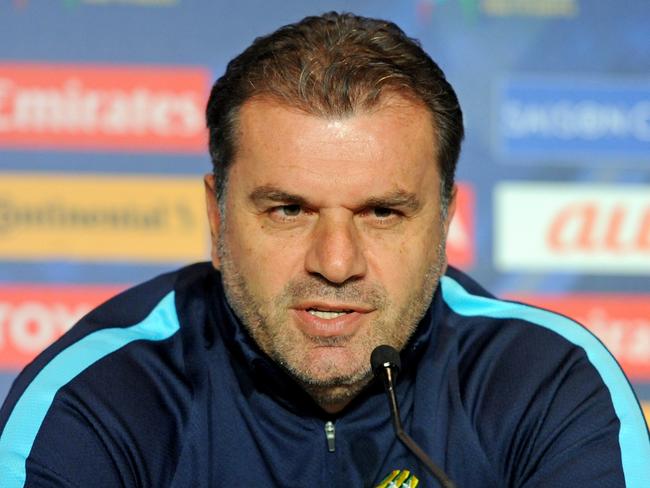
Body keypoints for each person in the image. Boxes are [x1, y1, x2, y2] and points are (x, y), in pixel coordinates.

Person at [0, 11, 648, 488]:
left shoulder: (546, 382)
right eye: (288, 210)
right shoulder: (97, 396)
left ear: (445, 218)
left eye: (383, 212)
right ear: (216, 217)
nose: (336, 264)